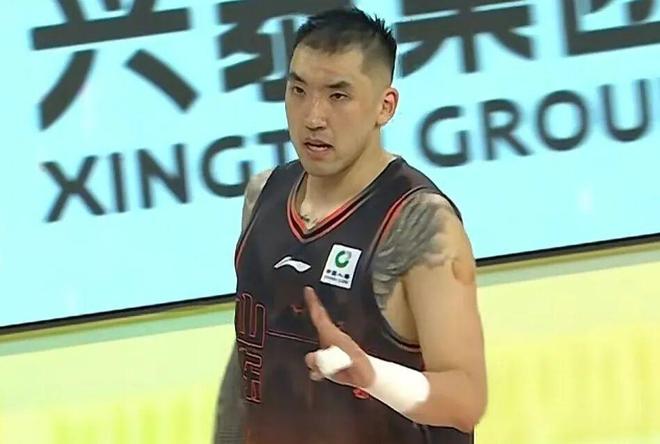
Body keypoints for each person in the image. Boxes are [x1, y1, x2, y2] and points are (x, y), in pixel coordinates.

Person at [213, 7, 487, 444]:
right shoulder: (263, 196)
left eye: (337, 96)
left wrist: (371, 374)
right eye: (298, 90)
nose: (313, 116)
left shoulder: (421, 225)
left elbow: (466, 399)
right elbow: (250, 356)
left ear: (385, 106)